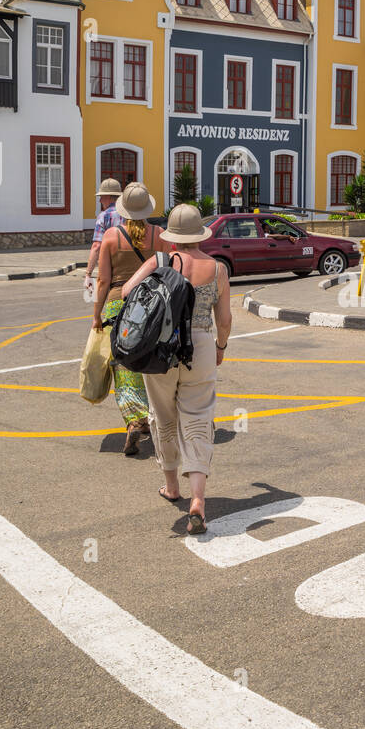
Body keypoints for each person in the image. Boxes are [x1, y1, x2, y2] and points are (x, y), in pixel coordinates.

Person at [122, 204, 232, 535]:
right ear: (200, 234)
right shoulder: (217, 269)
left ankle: (172, 487)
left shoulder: (159, 262)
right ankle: (198, 499)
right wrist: (220, 347)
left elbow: (127, 292)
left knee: (163, 416)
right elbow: (224, 320)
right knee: (198, 418)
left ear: (171, 237)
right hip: (199, 346)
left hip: (161, 349)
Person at [93, 182, 166, 456]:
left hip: (117, 307)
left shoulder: (111, 237)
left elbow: (103, 280)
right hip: (150, 306)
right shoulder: (160, 235)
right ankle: (152, 418)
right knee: (149, 362)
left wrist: (96, 315)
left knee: (123, 367)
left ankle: (134, 419)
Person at [85, 178, 124, 294]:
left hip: (112, 268)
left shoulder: (104, 216)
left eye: (101, 197)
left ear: (109, 197)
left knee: (105, 298)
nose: (100, 200)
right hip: (132, 267)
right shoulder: (131, 214)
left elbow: (97, 246)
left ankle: (98, 312)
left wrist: (88, 274)